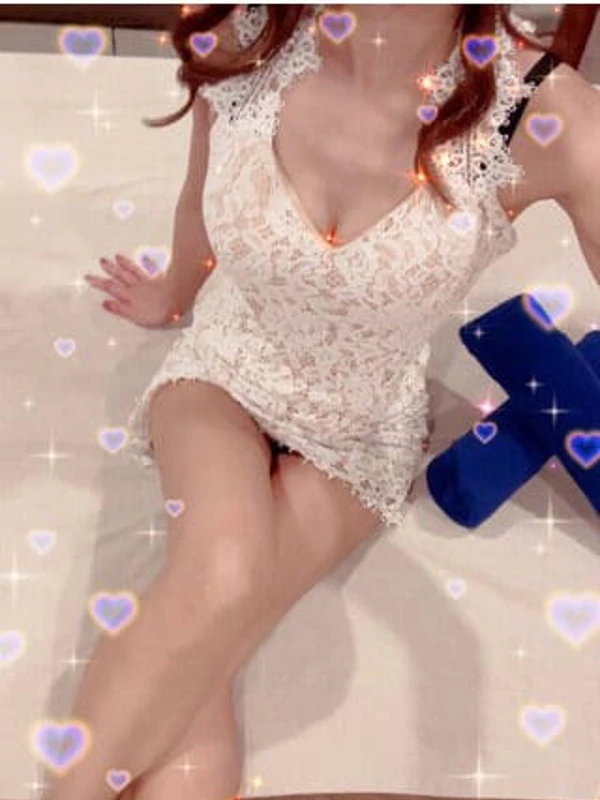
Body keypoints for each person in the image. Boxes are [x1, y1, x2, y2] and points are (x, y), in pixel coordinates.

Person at [58, 5, 600, 800]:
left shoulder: (544, 115)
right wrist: (174, 291)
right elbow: (199, 189)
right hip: (224, 372)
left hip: (360, 430)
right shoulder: (245, 33)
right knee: (223, 571)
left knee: (209, 644)